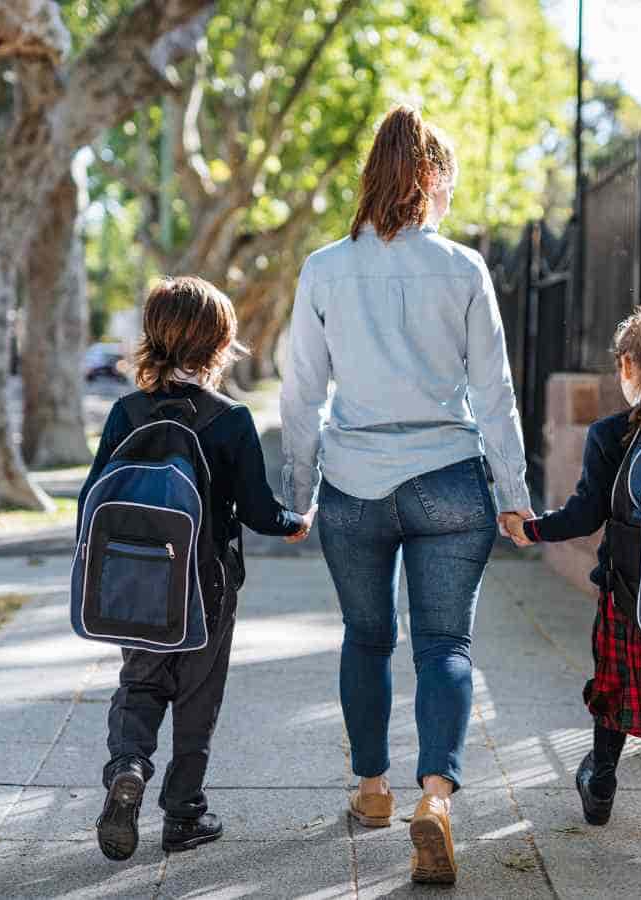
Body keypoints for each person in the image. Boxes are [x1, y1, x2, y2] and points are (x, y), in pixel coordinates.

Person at [280, 105, 532, 885]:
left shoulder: (324, 268)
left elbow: (300, 393)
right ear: (430, 177)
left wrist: (297, 493)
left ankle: (373, 790)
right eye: (446, 175)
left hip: (354, 482)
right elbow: (496, 393)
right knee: (445, 646)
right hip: (449, 478)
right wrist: (515, 494)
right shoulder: (463, 269)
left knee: (366, 638)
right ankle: (437, 800)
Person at [81, 276, 316, 861]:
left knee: (139, 683)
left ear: (153, 336)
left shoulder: (126, 412)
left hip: (135, 587)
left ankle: (127, 768)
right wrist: (294, 522)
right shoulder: (231, 420)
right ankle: (184, 814)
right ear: (220, 343)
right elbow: (258, 511)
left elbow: (90, 500)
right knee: (197, 698)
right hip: (206, 585)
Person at [507, 300, 641, 878]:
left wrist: (529, 529)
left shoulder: (612, 435)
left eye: (620, 365)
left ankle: (601, 782)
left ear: (630, 365)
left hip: (631, 595)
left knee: (615, 683)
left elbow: (584, 516)